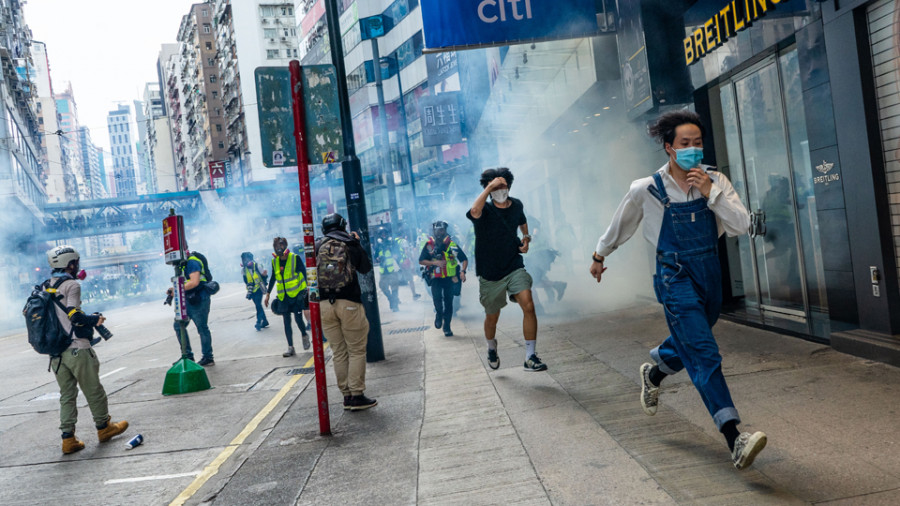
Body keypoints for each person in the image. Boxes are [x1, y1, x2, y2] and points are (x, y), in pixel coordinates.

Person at [590, 110, 766, 470]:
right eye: (685, 144)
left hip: (709, 273)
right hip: (673, 277)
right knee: (704, 352)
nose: (693, 150)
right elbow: (620, 225)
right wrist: (599, 254)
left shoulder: (715, 180)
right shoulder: (647, 189)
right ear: (669, 148)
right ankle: (735, 437)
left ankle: (655, 372)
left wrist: (710, 192)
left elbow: (740, 225)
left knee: (694, 336)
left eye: (698, 143)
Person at [45, 245, 128, 454]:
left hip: (56, 354)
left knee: (67, 395)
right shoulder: (71, 285)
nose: (77, 266)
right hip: (76, 349)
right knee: (93, 390)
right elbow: (74, 315)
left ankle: (68, 439)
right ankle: (104, 427)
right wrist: (95, 319)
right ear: (70, 264)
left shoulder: (46, 286)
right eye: (76, 262)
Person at [466, 167, 547, 372]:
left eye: (502, 186)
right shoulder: (484, 208)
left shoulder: (517, 204)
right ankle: (491, 346)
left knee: (528, 305)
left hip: (513, 265)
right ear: (488, 188)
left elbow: (522, 221)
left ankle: (530, 356)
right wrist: (489, 188)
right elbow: (474, 212)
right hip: (490, 272)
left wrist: (526, 239)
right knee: (492, 317)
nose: (499, 190)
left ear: (509, 186)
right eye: (494, 186)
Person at [316, 213, 377, 411]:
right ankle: (357, 395)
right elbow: (365, 267)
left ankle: (346, 396)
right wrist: (357, 243)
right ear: (343, 225)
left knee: (338, 352)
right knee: (356, 349)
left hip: (324, 305)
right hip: (349, 302)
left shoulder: (317, 246)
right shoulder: (349, 243)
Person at [419, 220, 468, 336]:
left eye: (441, 230)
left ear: (445, 231)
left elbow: (464, 259)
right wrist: (435, 263)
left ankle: (447, 327)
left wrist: (463, 271)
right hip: (435, 278)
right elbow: (421, 260)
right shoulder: (429, 245)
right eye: (437, 230)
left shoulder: (452, 246)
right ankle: (438, 315)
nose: (439, 232)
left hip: (449, 279)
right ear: (434, 231)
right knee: (437, 300)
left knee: (449, 303)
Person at [265, 237, 309, 356]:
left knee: (298, 320)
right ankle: (291, 347)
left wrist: (309, 289)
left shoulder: (295, 258)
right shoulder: (274, 261)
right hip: (283, 297)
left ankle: (304, 334)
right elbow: (273, 277)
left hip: (296, 295)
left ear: (286, 246)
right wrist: (268, 293)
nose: (279, 249)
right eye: (276, 247)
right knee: (286, 322)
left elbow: (305, 273)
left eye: (281, 246)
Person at [169, 250, 215, 366]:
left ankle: (208, 357)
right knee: (179, 325)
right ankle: (188, 355)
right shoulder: (183, 264)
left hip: (200, 299)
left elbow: (194, 282)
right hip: (189, 299)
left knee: (202, 328)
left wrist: (177, 289)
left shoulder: (192, 262)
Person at [373, 226, 403, 312]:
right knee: (382, 286)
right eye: (381, 234)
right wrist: (378, 258)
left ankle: (395, 306)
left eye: (385, 233)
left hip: (392, 270)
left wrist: (395, 256)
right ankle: (391, 299)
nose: (383, 235)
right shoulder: (378, 245)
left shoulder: (392, 242)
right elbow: (375, 257)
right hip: (383, 271)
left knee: (394, 288)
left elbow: (398, 253)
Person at [240, 252, 269, 331]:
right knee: (258, 305)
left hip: (259, 289)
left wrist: (264, 275)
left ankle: (258, 322)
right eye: (243, 259)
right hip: (251, 290)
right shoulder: (244, 270)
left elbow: (264, 276)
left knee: (258, 305)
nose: (244, 260)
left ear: (250, 259)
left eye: (245, 258)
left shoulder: (257, 266)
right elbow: (245, 280)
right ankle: (265, 321)